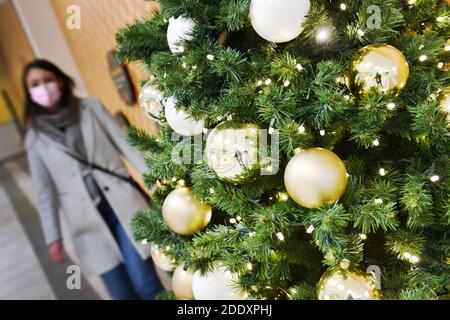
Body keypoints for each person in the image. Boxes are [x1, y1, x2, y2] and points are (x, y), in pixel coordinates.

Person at [23, 59, 163, 300]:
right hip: (85, 222)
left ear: (60, 80)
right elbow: (44, 191)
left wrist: (158, 183)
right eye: (35, 84)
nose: (42, 87)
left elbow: (126, 145)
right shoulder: (35, 138)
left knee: (146, 283)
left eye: (47, 80)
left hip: (122, 205)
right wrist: (53, 237)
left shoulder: (90, 108)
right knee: (121, 295)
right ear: (29, 93)